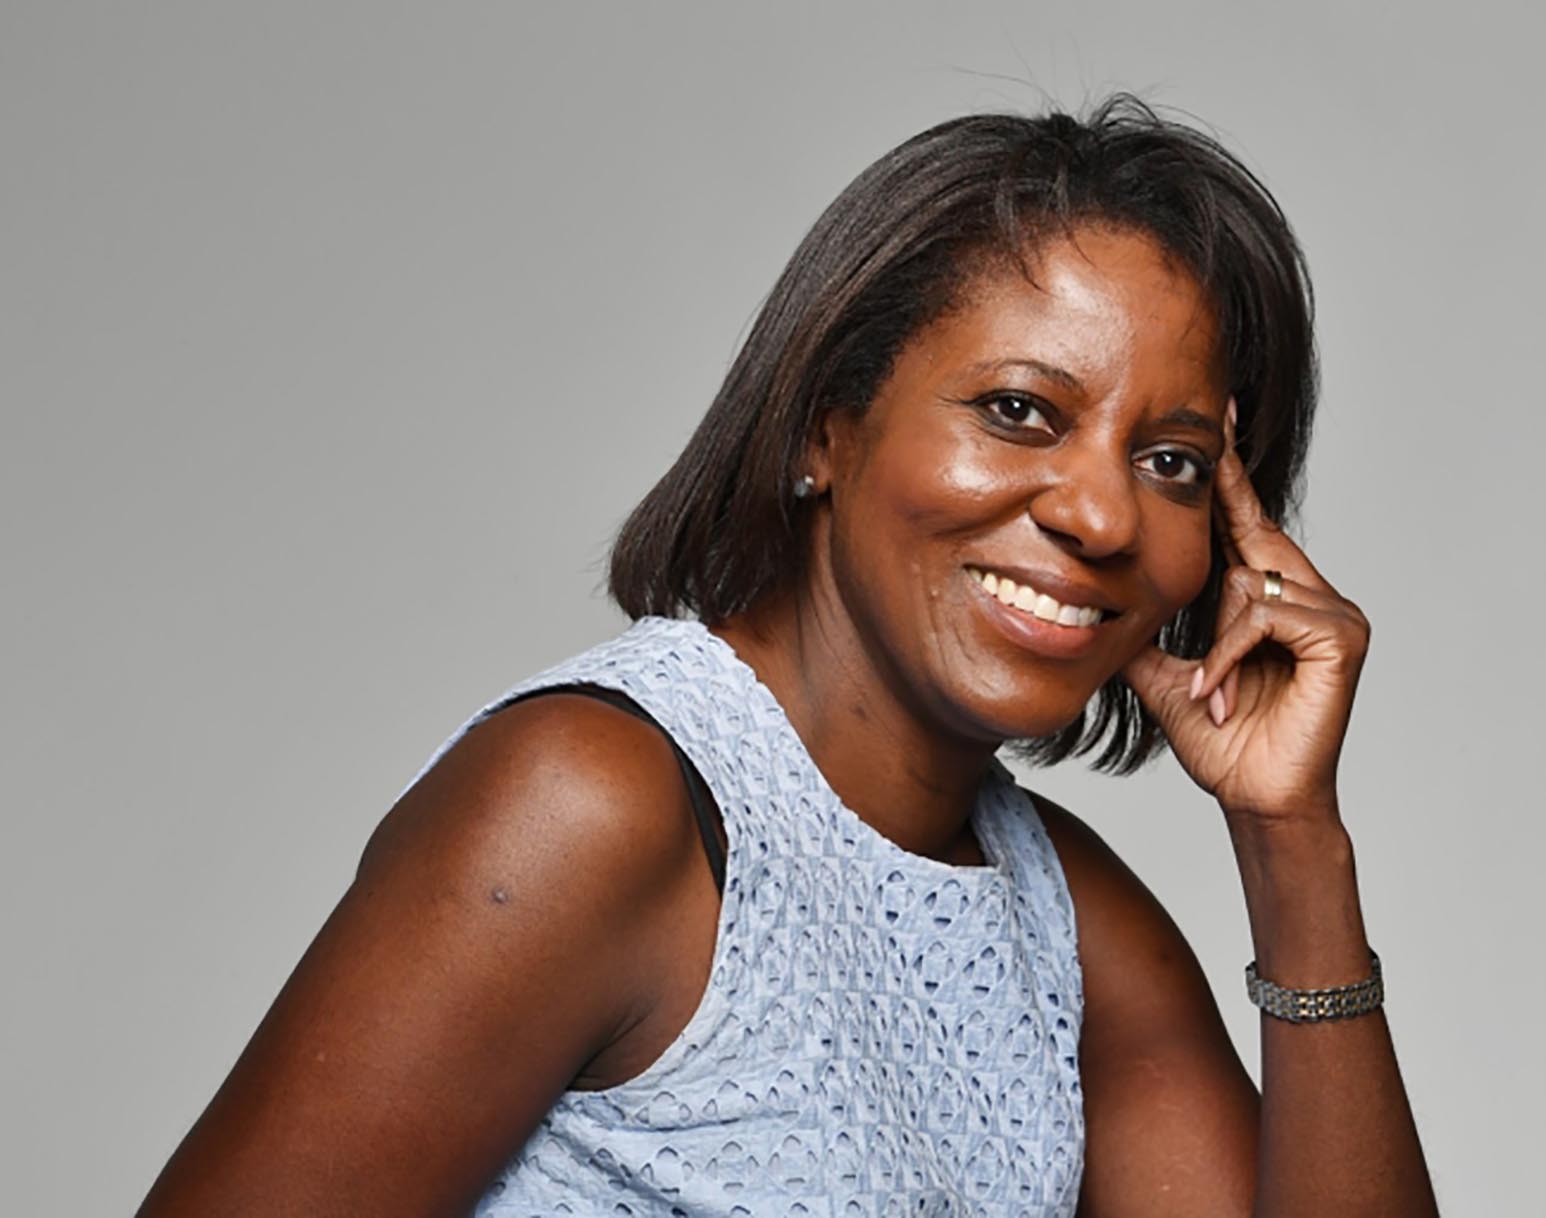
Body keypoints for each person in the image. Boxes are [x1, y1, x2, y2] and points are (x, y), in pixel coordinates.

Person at [138, 94, 1438, 1216]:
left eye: (1169, 461)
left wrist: (1293, 842)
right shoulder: (592, 804)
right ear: (826, 429)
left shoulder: (1070, 926)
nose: (1099, 515)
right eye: (1016, 411)